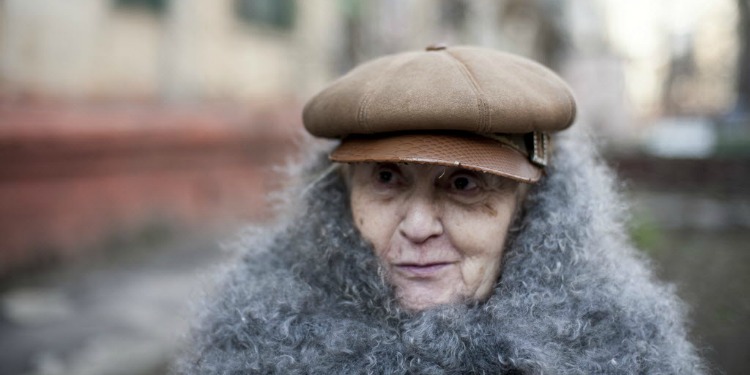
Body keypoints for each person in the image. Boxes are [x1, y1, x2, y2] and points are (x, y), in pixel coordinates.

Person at [174, 45, 705, 374]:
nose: (419, 226)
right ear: (339, 193)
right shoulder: (255, 332)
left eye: (465, 183)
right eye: (386, 178)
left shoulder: (619, 343)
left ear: (533, 206)